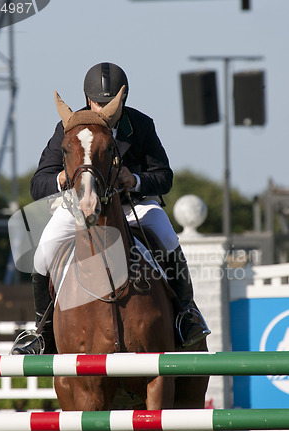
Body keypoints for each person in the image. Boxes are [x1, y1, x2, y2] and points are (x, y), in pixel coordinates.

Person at [12, 62, 210, 355]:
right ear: (87, 99)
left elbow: (165, 177)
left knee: (168, 238)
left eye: (109, 103)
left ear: (122, 101)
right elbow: (38, 182)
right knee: (43, 252)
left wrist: (137, 179)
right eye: (97, 102)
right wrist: (61, 179)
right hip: (79, 207)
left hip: (134, 206)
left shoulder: (140, 125)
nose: (103, 107)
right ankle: (42, 332)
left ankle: (185, 316)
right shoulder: (69, 127)